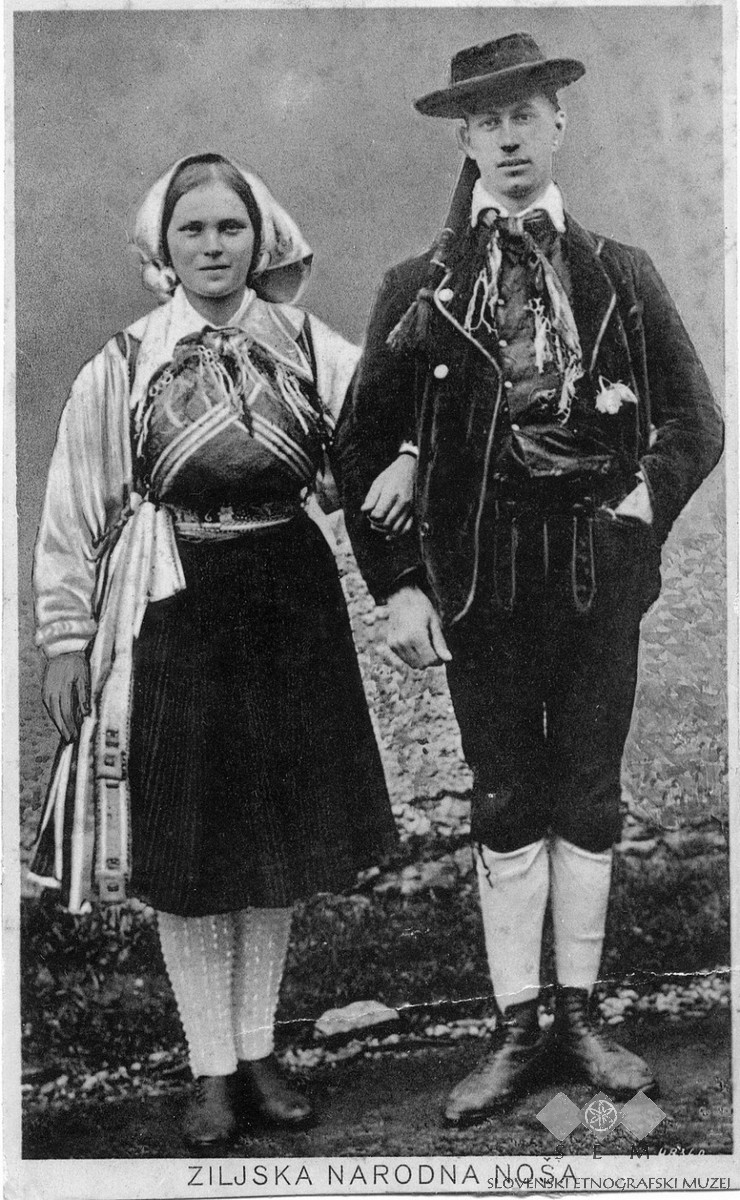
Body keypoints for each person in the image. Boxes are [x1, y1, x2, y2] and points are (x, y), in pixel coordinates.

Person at [335, 34, 723, 1126]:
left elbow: (695, 420)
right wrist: (401, 584)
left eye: (525, 113)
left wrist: (640, 505)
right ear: (464, 140)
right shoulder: (423, 286)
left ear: (558, 122)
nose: (508, 136)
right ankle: (516, 1030)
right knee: (505, 792)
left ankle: (582, 1018)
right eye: (487, 121)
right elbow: (360, 445)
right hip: (482, 579)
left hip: (597, 570)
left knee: (588, 789)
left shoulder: (619, 274)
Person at [29, 152, 414, 1146]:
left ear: (259, 238)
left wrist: (407, 458)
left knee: (271, 839)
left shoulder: (306, 343)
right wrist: (65, 637)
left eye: (229, 228)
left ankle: (257, 1054)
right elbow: (74, 510)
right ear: (164, 244)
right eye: (192, 229)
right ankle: (209, 1068)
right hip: (176, 605)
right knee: (192, 843)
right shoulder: (125, 362)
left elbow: (385, 422)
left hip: (288, 598)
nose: (212, 246)